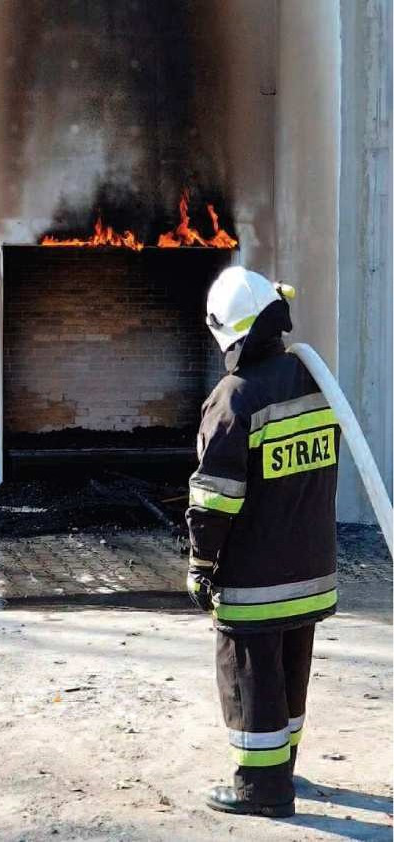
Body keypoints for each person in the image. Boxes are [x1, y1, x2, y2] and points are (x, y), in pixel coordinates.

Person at [186, 266, 340, 818]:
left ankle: (262, 788)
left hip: (256, 578)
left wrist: (201, 563)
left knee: (251, 679)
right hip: (311, 568)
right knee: (290, 671)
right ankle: (284, 767)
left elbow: (215, 499)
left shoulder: (235, 400)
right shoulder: (315, 380)